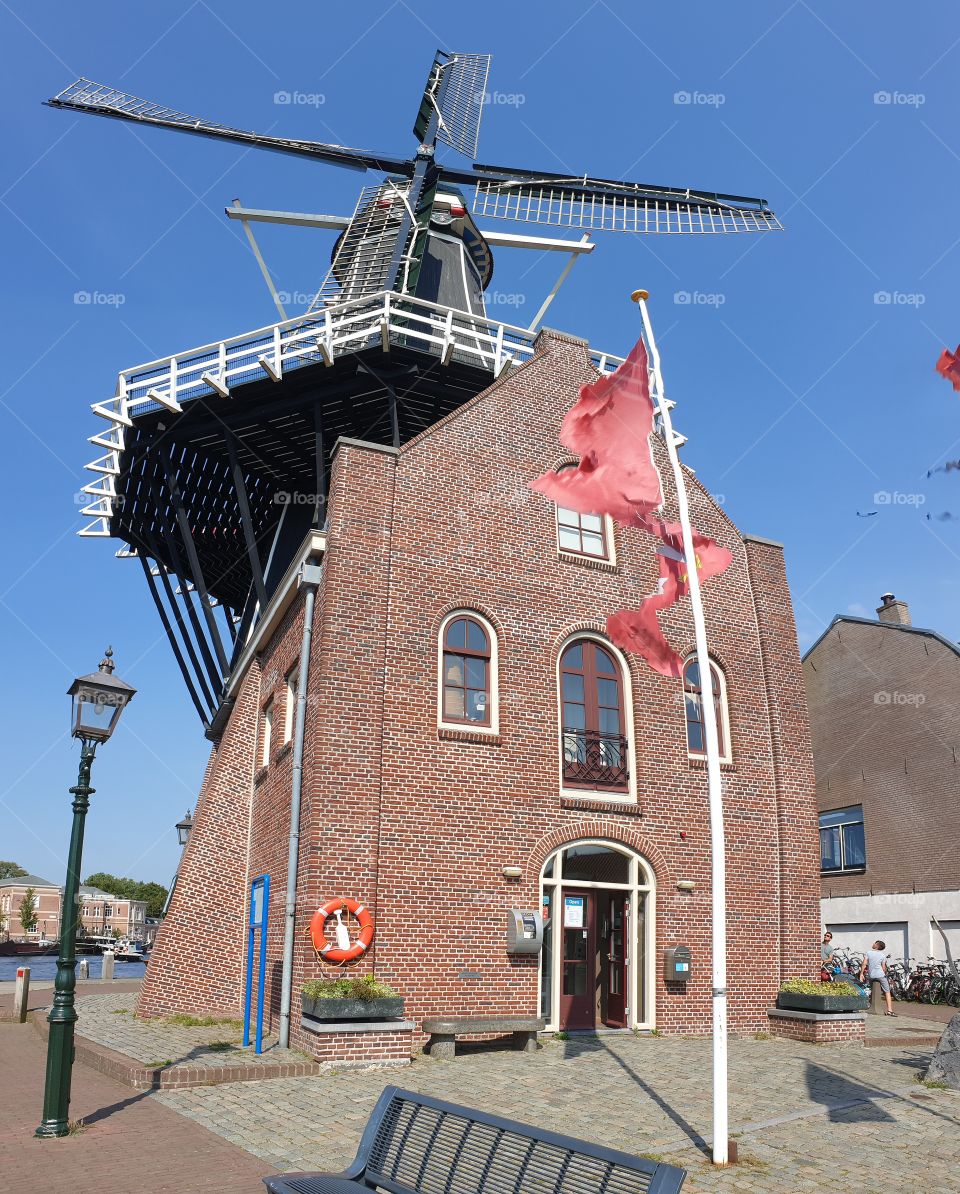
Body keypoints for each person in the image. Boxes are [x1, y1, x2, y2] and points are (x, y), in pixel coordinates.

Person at [860, 939, 896, 1015]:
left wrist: (861, 974)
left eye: (875, 943)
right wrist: (884, 974)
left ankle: (869, 1005)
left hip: (871, 976)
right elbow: (883, 968)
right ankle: (889, 1010)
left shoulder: (868, 953)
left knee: (870, 989)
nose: (873, 944)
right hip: (880, 975)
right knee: (887, 991)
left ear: (877, 945)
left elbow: (864, 964)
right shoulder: (883, 955)